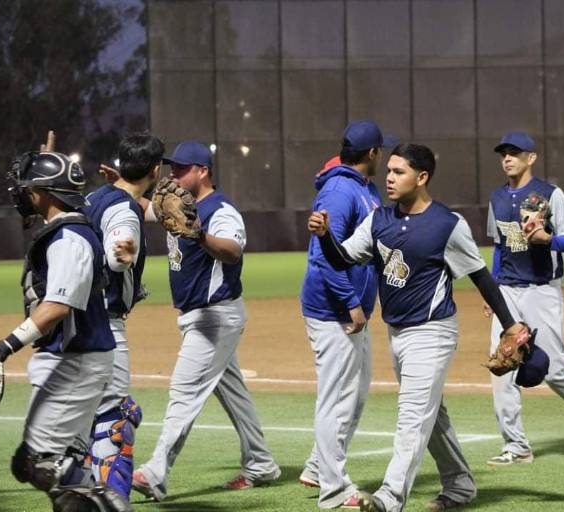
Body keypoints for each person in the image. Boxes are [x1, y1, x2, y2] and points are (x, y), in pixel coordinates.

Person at [308, 143, 527, 512]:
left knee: (412, 416)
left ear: (422, 177)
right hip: (397, 333)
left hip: (433, 332)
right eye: (389, 171)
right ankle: (459, 484)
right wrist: (326, 235)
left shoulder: (447, 224)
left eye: (399, 172)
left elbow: (480, 276)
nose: (389, 178)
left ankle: (389, 498)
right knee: (432, 414)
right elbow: (342, 258)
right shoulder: (379, 220)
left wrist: (510, 325)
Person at [132, 141, 279, 500]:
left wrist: (199, 233)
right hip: (200, 317)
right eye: (172, 168)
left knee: (184, 392)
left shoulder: (220, 210)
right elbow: (144, 207)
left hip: (215, 317)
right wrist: (122, 186)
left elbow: (232, 250)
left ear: (203, 171)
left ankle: (155, 473)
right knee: (234, 394)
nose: (174, 174)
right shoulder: (176, 204)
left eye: (182, 169)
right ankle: (260, 463)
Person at [0, 151, 127, 511]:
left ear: (46, 193)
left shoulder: (69, 239)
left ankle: (108, 505)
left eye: (28, 188)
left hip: (76, 362)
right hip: (72, 358)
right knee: (52, 466)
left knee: (42, 464)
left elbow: (57, 307)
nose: (22, 194)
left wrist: (3, 348)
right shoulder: (66, 230)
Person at [484, 132, 564, 465]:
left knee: (553, 370)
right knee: (503, 364)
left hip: (542, 290)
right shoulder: (497, 197)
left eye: (514, 153)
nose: (507, 158)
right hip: (507, 291)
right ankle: (516, 446)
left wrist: (547, 239)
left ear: (531, 158)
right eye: (503, 154)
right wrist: (493, 290)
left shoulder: (550, 194)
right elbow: (498, 246)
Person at [299, 120, 394, 509]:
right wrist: (351, 303)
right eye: (381, 151)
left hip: (352, 309)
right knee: (337, 398)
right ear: (372, 153)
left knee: (354, 395)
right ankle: (334, 488)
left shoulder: (364, 188)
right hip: (333, 309)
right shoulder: (340, 191)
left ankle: (317, 466)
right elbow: (324, 255)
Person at [83, 133, 164, 502]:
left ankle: (83, 496)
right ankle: (112, 503)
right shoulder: (124, 210)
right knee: (115, 422)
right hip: (105, 324)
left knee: (96, 414)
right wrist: (124, 252)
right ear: (155, 170)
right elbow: (119, 254)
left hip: (78, 318)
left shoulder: (96, 197)